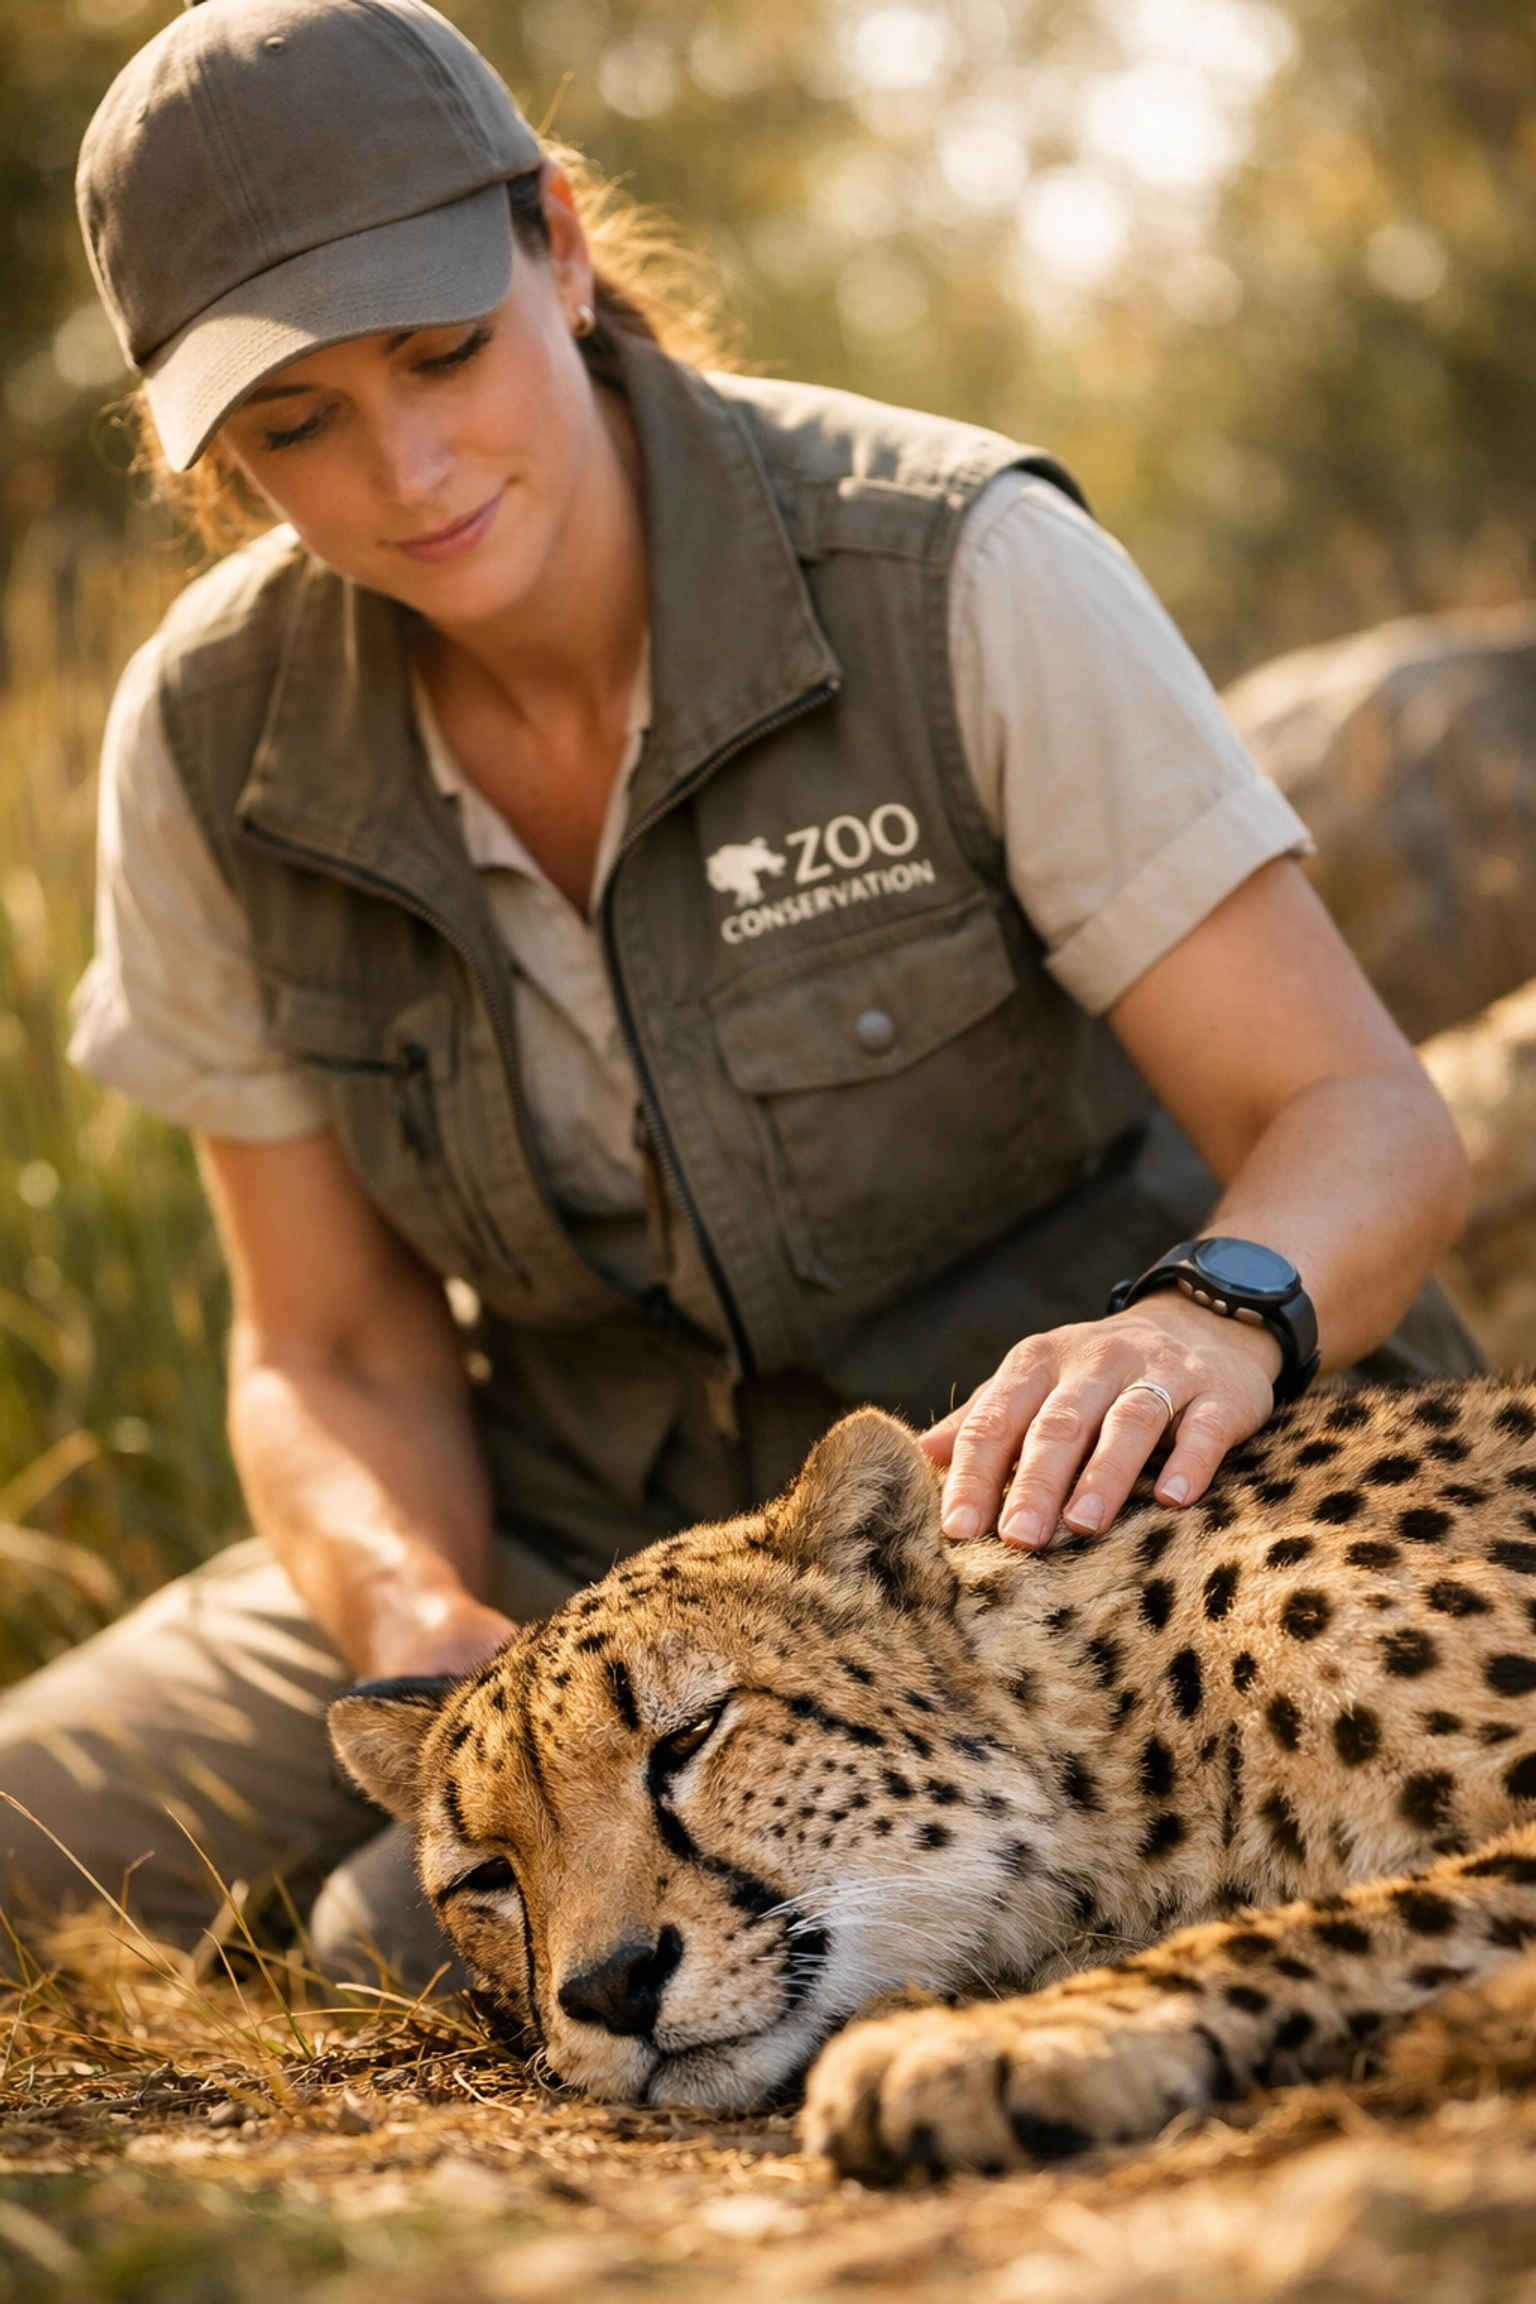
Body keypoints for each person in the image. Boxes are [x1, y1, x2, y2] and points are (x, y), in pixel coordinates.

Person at [0, 0, 1478, 1980]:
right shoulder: (200, 737)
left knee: (388, 1944)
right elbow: (330, 1348)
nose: (409, 466)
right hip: (557, 1543)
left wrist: (1208, 1327)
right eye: (294, 429)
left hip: (1020, 1550)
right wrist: (426, 1646)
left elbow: (1365, 1124)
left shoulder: (955, 562)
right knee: (34, 1846)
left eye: (443, 352)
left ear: (561, 245)